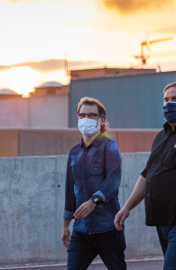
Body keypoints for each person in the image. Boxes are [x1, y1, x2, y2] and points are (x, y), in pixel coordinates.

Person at [114, 81, 176, 270]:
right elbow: (147, 174)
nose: (169, 103)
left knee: (174, 267)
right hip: (163, 219)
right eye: (166, 100)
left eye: (175, 99)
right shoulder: (161, 136)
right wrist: (127, 207)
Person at [61, 97, 126, 270]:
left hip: (108, 229)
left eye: (91, 115)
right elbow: (70, 190)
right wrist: (66, 225)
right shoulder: (74, 152)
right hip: (81, 231)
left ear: (102, 120)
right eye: (82, 115)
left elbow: (113, 180)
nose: (86, 119)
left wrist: (93, 201)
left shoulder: (110, 146)